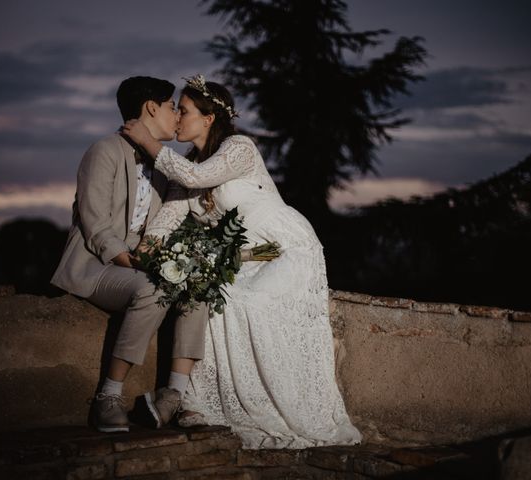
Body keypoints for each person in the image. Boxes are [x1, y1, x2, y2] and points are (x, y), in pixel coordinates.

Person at [121, 75, 362, 449]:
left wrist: (149, 143)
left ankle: (278, 404)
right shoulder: (184, 165)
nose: (177, 119)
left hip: (284, 248)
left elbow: (198, 176)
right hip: (243, 258)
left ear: (209, 119)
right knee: (210, 302)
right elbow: (170, 215)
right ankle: (191, 402)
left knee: (249, 303)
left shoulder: (239, 148)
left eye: (183, 111)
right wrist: (144, 250)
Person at [51, 76, 209, 433]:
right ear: (152, 107)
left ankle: (175, 395)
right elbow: (94, 223)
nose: (176, 115)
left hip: (141, 265)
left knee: (197, 287)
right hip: (98, 265)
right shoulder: (104, 150)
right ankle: (108, 396)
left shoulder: (164, 164)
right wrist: (128, 259)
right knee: (151, 288)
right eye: (172, 107)